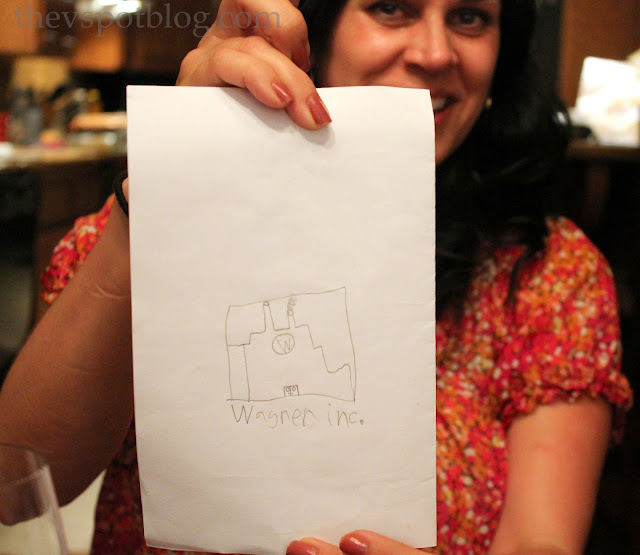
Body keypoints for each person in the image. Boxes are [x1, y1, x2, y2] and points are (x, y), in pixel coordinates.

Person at [0, 0, 633, 553]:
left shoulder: (549, 274)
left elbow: (541, 540)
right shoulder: (140, 229)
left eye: (470, 17)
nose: (436, 52)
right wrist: (168, 182)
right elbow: (15, 488)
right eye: (390, 7)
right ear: (321, 32)